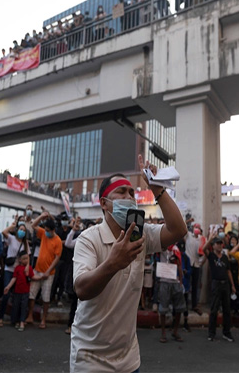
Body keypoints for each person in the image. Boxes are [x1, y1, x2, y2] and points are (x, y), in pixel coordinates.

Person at [70, 155, 187, 372]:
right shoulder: (89, 239)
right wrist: (113, 263)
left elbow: (178, 230)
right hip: (90, 357)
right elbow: (81, 289)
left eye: (132, 192)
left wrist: (157, 189)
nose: (129, 197)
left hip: (129, 359)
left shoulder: (142, 235)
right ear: (104, 203)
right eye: (121, 192)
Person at [26, 212, 62, 329]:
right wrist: (41, 217)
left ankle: (43, 319)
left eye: (48, 230)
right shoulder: (43, 234)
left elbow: (57, 258)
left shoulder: (57, 241)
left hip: (49, 273)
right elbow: (33, 226)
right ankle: (30, 315)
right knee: (32, 295)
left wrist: (48, 271)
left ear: (53, 230)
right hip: (37, 269)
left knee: (45, 298)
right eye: (45, 229)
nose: (46, 231)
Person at [0, 216, 30, 327]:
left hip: (19, 271)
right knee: (6, 294)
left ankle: (15, 319)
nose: (22, 232)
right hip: (9, 269)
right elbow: (3, 232)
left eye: (24, 230)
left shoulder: (26, 244)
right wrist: (12, 225)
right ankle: (0, 317)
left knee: (17, 296)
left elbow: (28, 256)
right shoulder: (11, 239)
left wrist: (27, 267)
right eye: (20, 229)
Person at [204, 234, 236, 342]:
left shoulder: (225, 257)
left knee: (227, 309)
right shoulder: (211, 256)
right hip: (216, 284)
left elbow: (228, 271)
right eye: (217, 244)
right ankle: (211, 333)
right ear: (213, 246)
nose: (219, 245)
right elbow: (204, 249)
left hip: (225, 284)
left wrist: (232, 285)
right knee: (214, 309)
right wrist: (210, 239)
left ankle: (226, 333)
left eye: (220, 243)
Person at [3, 253, 41, 331]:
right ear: (20, 259)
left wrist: (42, 277)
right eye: (24, 258)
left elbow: (32, 276)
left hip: (25, 292)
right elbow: (14, 278)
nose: (26, 260)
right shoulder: (17, 268)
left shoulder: (29, 268)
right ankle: (15, 320)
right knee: (16, 306)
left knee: (23, 307)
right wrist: (8, 287)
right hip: (17, 291)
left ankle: (22, 321)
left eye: (27, 258)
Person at [157, 244, 186, 343]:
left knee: (179, 307)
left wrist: (181, 281)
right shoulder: (161, 247)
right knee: (163, 308)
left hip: (175, 281)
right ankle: (163, 333)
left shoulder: (175, 249)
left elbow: (179, 264)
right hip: (164, 280)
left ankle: (175, 331)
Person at [184, 220, 203, 315]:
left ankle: (194, 305)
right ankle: (185, 304)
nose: (197, 229)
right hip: (188, 263)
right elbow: (182, 226)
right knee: (186, 284)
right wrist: (188, 221)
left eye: (198, 227)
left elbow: (202, 251)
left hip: (196, 264)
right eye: (195, 227)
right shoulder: (188, 236)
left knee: (195, 286)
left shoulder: (201, 238)